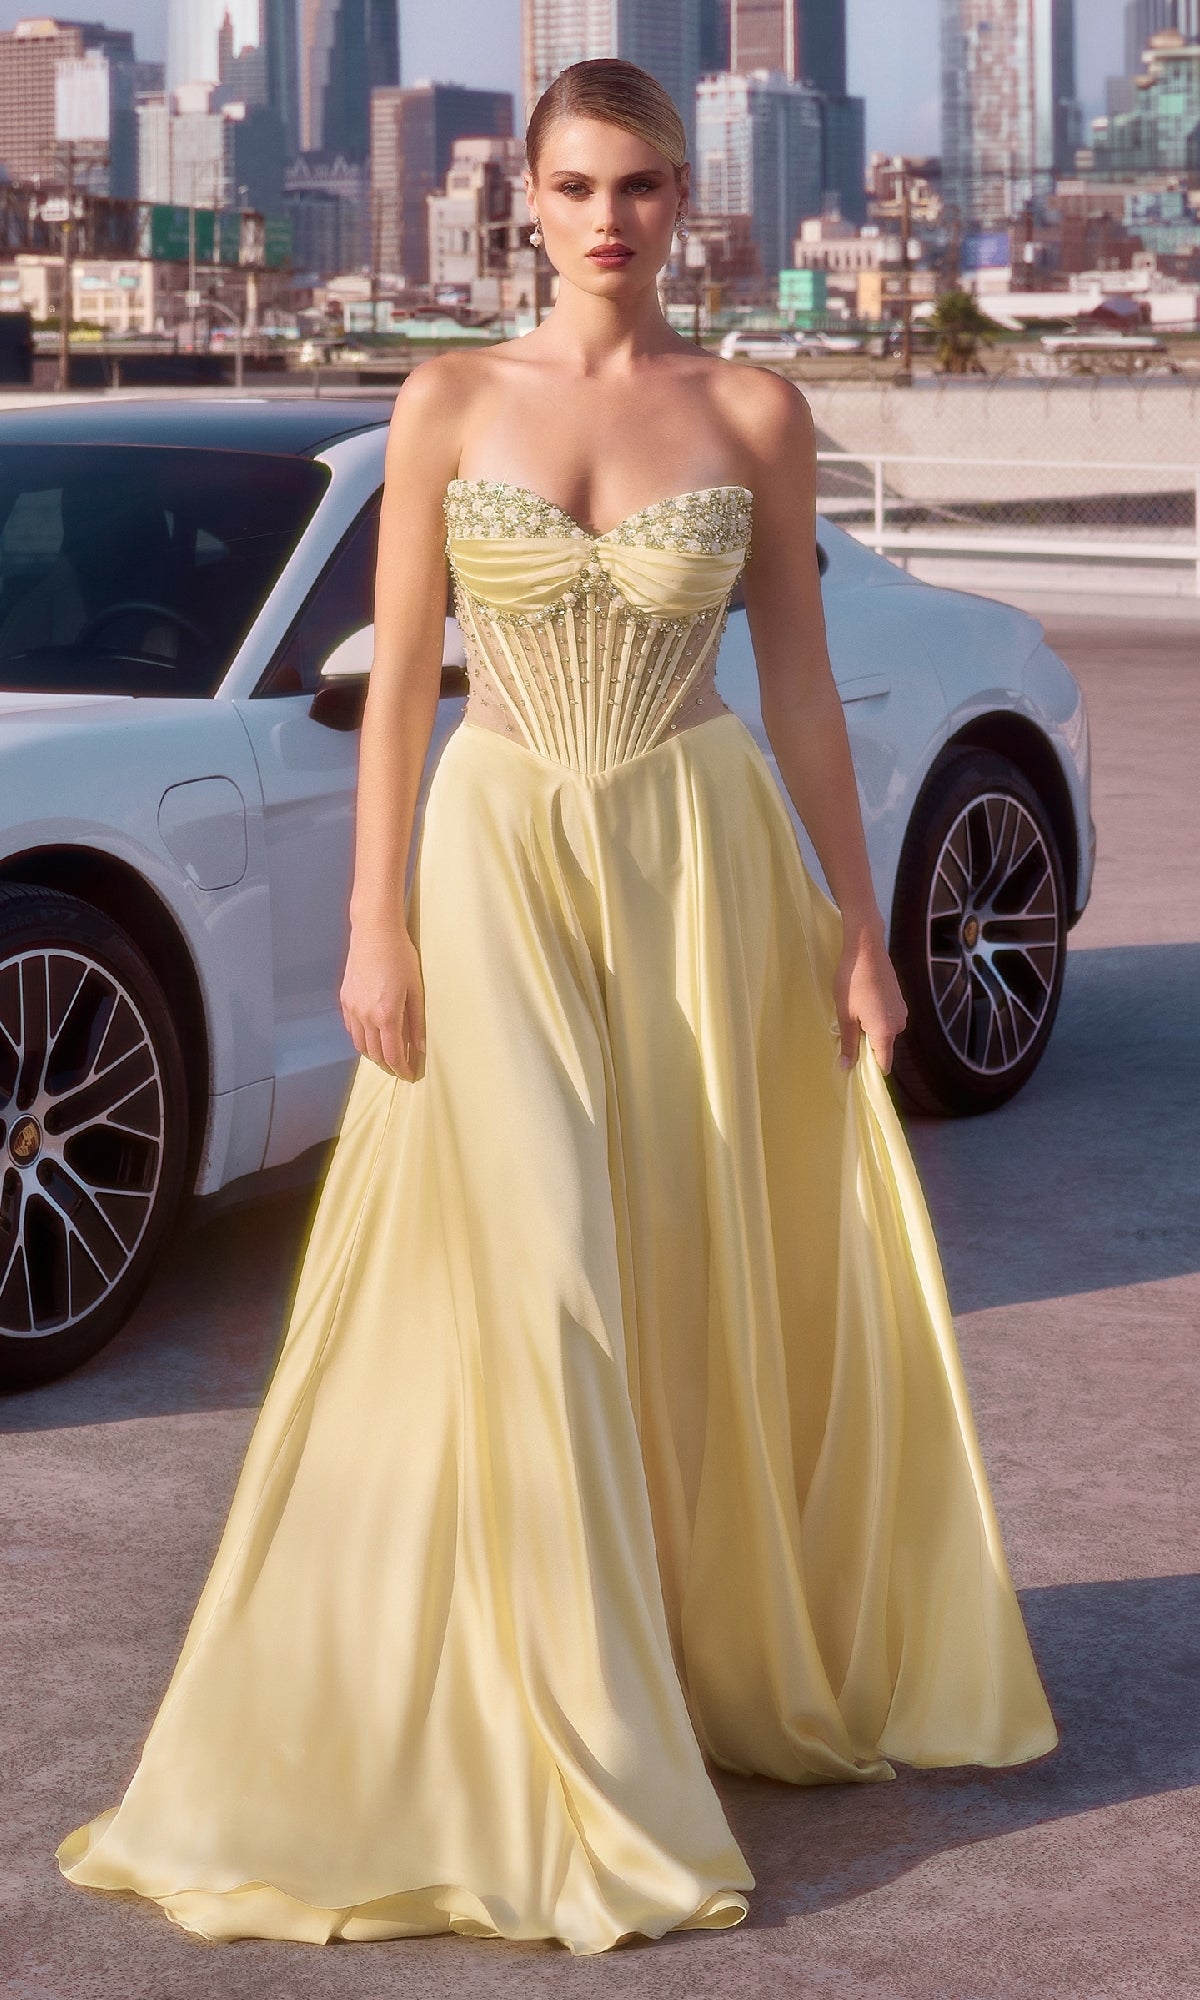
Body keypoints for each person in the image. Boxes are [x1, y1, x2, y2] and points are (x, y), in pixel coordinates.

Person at [55, 58, 1057, 1956]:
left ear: (690, 202)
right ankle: (572, 1750)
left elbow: (808, 688)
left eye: (647, 185)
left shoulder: (752, 408)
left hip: (698, 861)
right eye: (581, 184)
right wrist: (374, 928)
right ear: (521, 197)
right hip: (500, 857)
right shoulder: (447, 403)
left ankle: (660, 1658)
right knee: (550, 1277)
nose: (613, 217)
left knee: (676, 1260)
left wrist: (860, 926)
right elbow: (404, 684)